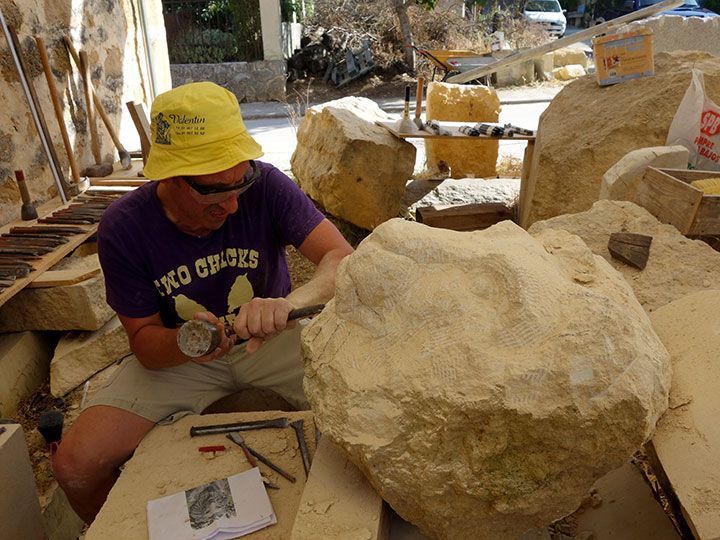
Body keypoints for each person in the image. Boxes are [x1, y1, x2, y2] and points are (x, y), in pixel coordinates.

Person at [52, 81, 354, 523]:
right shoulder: (125, 226)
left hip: (272, 340)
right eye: (213, 190)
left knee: (363, 405)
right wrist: (190, 343)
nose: (232, 204)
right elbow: (144, 343)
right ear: (170, 177)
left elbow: (340, 257)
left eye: (241, 181)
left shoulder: (265, 185)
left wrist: (289, 303)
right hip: (182, 360)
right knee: (74, 466)